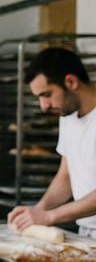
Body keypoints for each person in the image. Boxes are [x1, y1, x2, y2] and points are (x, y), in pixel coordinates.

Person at [8, 46, 96, 238]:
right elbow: (65, 176)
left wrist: (49, 216)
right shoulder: (68, 117)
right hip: (87, 233)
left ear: (71, 82)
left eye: (46, 95)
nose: (43, 106)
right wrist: (37, 211)